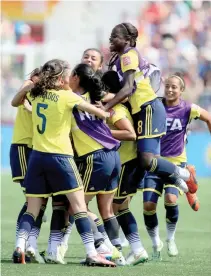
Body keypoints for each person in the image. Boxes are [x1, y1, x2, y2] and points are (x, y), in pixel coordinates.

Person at [12, 59, 116, 267]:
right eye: (67, 76)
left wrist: (31, 85)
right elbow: (97, 112)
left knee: (32, 209)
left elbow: (15, 102)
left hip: (37, 159)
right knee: (78, 207)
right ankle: (91, 252)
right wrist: (105, 112)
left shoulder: (36, 94)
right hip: (61, 158)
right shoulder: (67, 96)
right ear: (60, 79)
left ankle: (20, 246)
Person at [102, 22, 197, 199]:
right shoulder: (122, 57)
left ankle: (183, 174)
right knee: (147, 160)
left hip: (148, 108)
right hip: (145, 110)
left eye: (115, 36)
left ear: (128, 40)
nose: (111, 39)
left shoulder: (127, 56)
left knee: (146, 160)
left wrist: (105, 107)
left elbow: (128, 88)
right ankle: (178, 178)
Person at [142, 72, 211, 259]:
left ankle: (170, 239)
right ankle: (155, 242)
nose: (170, 90)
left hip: (176, 163)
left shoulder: (188, 108)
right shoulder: (156, 105)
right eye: (168, 86)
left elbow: (208, 117)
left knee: (170, 201)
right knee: (148, 206)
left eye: (174, 87)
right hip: (154, 162)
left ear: (181, 90)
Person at [69, 63, 126, 265]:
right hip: (113, 155)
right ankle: (115, 248)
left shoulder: (70, 98)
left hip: (96, 157)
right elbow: (123, 96)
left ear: (75, 77)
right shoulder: (95, 96)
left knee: (76, 206)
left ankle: (105, 247)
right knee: (105, 209)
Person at [102, 70, 148, 265]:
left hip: (126, 164)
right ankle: (136, 250)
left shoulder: (116, 110)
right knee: (120, 208)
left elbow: (130, 134)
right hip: (130, 163)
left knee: (109, 208)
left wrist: (104, 132)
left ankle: (115, 251)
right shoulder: (120, 107)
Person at [10, 68, 46, 263]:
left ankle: (27, 246)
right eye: (37, 77)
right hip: (24, 146)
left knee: (38, 201)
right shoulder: (28, 89)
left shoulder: (48, 95)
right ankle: (22, 245)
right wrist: (28, 87)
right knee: (33, 201)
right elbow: (14, 101)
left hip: (39, 149)